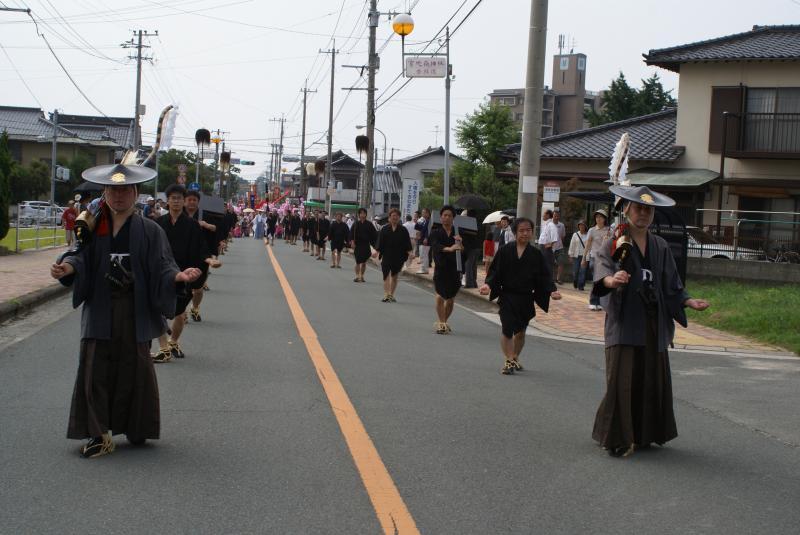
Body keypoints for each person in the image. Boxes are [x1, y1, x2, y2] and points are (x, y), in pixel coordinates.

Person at [50, 164, 200, 458]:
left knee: (136, 370)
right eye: (112, 190)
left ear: (135, 193)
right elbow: (79, 256)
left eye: (124, 190)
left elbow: (162, 265)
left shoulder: (150, 230)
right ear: (104, 193)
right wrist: (67, 266)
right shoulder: (93, 225)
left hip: (134, 307)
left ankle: (136, 425)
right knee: (96, 370)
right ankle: (98, 434)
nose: (118, 196)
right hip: (101, 307)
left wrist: (177, 277)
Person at [591, 185, 709, 458]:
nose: (643, 213)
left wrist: (688, 301)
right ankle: (617, 438)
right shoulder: (614, 240)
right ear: (627, 210)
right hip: (625, 318)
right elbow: (603, 271)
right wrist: (612, 280)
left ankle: (645, 434)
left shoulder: (660, 245)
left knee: (649, 377)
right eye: (638, 208)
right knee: (622, 379)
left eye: (648, 209)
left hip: (654, 320)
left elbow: (672, 284)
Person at [480, 218, 562, 375]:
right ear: (515, 232)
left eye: (528, 230)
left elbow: (544, 276)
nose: (525, 233)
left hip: (526, 298)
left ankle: (515, 356)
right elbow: (495, 272)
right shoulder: (505, 251)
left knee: (521, 332)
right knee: (507, 329)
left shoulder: (536, 254)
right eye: (522, 230)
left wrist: (552, 290)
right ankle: (509, 360)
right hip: (507, 296)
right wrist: (488, 285)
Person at [154, 184, 210, 362]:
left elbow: (201, 248)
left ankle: (173, 342)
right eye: (173, 198)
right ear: (167, 201)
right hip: (162, 274)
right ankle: (164, 348)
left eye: (179, 198)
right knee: (157, 311)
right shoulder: (158, 224)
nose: (176, 201)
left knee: (179, 313)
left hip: (184, 274)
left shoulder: (192, 225)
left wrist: (208, 259)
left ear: (184, 202)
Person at [184, 189, 221, 322]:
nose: (192, 202)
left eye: (194, 200)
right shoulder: (179, 215)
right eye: (189, 200)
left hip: (201, 254)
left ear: (198, 202)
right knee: (183, 287)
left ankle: (195, 307)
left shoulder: (203, 214)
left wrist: (205, 224)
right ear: (184, 201)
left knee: (198, 288)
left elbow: (215, 228)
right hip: (183, 254)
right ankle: (182, 313)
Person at [429, 205, 463, 334]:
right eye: (444, 215)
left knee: (450, 299)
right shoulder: (435, 232)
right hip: (441, 268)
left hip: (455, 269)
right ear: (441, 217)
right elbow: (436, 246)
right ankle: (442, 323)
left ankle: (443, 321)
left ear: (453, 218)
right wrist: (450, 248)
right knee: (439, 296)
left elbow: (466, 250)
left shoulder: (458, 232)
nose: (447, 218)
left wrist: (461, 243)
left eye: (449, 215)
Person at [374, 208, 413, 302]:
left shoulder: (403, 230)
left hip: (398, 256)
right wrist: (376, 252)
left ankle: (391, 294)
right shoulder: (384, 229)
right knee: (386, 275)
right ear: (389, 218)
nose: (394, 217)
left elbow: (407, 243)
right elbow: (380, 242)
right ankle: (386, 294)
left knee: (394, 276)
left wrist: (410, 253)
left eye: (396, 216)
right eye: (392, 216)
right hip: (387, 255)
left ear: (399, 217)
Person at [582, 209, 612, 311]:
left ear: (605, 219)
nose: (598, 219)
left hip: (604, 258)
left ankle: (598, 302)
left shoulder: (609, 230)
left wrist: (607, 240)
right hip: (594, 257)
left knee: (599, 280)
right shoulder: (592, 230)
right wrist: (584, 258)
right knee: (596, 278)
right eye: (597, 217)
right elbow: (588, 245)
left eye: (600, 217)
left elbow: (612, 245)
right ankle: (593, 301)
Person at [349, 207, 377, 283]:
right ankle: (357, 276)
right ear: (359, 214)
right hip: (357, 245)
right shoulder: (355, 224)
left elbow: (374, 235)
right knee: (358, 261)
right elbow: (351, 234)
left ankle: (362, 275)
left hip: (366, 245)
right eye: (361, 213)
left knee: (364, 262)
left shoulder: (369, 224)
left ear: (366, 214)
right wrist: (352, 242)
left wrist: (375, 246)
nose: (362, 215)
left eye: (364, 213)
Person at [568, 220, 589, 290]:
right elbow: (572, 245)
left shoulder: (588, 235)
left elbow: (589, 246)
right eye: (580, 225)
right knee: (575, 271)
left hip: (584, 256)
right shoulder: (575, 234)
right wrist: (570, 255)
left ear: (585, 226)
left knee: (582, 271)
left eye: (582, 225)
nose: (581, 226)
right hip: (576, 256)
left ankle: (581, 285)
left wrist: (588, 257)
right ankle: (575, 281)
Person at [537, 209, 558, 277]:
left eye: (544, 214)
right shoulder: (546, 224)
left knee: (548, 265)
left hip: (546, 248)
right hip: (542, 247)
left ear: (548, 215)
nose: (542, 216)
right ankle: (545, 280)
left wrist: (550, 245)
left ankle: (549, 282)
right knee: (543, 264)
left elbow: (555, 237)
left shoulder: (551, 225)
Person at [415, 207, 431, 274]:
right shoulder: (423, 220)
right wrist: (417, 222)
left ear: (428, 213)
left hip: (425, 239)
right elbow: (417, 228)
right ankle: (423, 268)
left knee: (424, 254)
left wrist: (426, 238)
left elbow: (428, 230)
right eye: (422, 212)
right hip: (421, 238)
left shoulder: (429, 221)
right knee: (422, 254)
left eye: (424, 212)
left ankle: (424, 269)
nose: (423, 214)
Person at [552, 209, 566, 284]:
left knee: (561, 262)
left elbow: (563, 236)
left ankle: (558, 278)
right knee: (551, 263)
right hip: (551, 248)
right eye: (555, 216)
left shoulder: (562, 225)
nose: (556, 217)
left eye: (557, 216)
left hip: (560, 247)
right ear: (552, 216)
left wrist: (560, 244)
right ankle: (551, 278)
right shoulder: (549, 224)